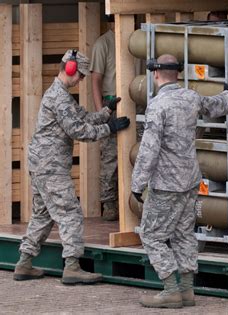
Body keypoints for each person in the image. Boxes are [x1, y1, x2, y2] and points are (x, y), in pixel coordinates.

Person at [13, 49, 130, 285]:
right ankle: (72, 266)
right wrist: (110, 128)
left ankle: (24, 262)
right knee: (70, 213)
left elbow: (82, 117)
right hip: (50, 167)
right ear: (70, 69)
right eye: (81, 75)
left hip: (42, 165)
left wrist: (106, 112)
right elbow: (79, 131)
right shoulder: (59, 97)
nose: (82, 80)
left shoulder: (61, 96)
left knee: (42, 215)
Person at [131, 54, 228, 308]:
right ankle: (187, 290)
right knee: (183, 233)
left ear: (156, 74)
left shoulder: (157, 105)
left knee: (152, 235)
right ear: (177, 73)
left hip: (166, 184)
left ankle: (170, 289)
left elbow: (149, 150)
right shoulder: (190, 97)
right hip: (190, 180)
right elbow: (215, 106)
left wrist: (137, 184)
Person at [90, 14, 119, 221]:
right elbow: (96, 80)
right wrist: (102, 112)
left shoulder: (135, 39)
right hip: (112, 104)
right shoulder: (103, 43)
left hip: (134, 104)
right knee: (110, 157)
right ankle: (109, 203)